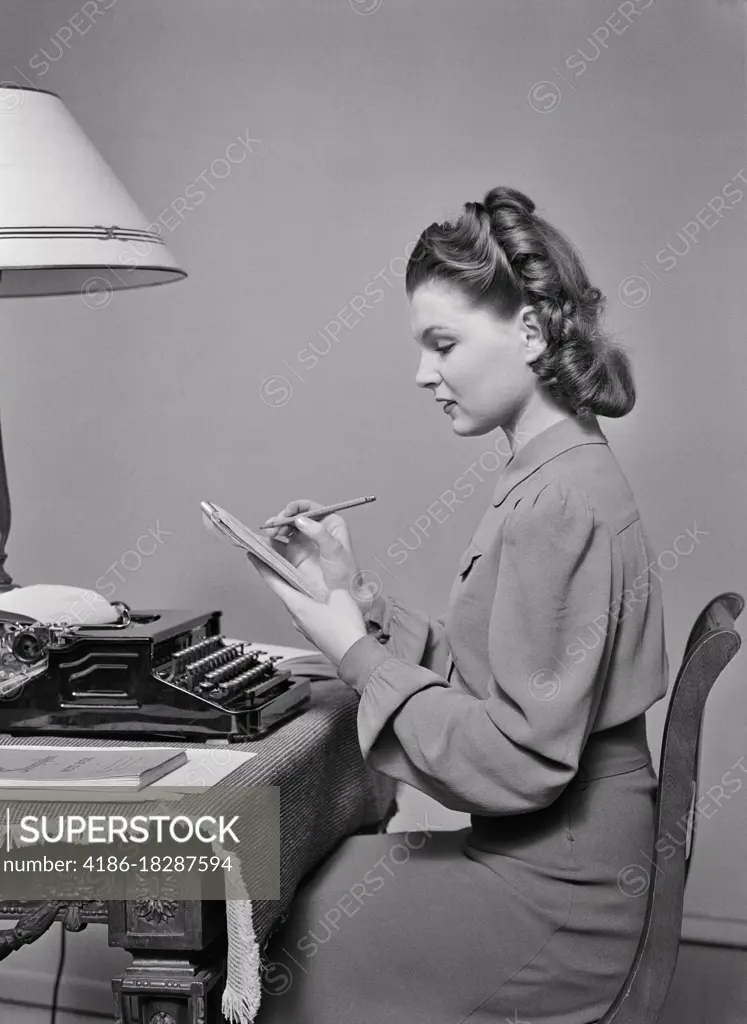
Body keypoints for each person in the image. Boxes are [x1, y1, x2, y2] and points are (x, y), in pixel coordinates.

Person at [247, 185, 670, 1024]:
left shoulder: (557, 504)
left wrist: (352, 653)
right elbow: (502, 678)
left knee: (265, 932)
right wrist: (356, 598)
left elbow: (519, 762)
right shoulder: (556, 470)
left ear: (530, 330)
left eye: (442, 343)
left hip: (557, 895)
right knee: (289, 882)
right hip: (555, 862)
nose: (421, 373)